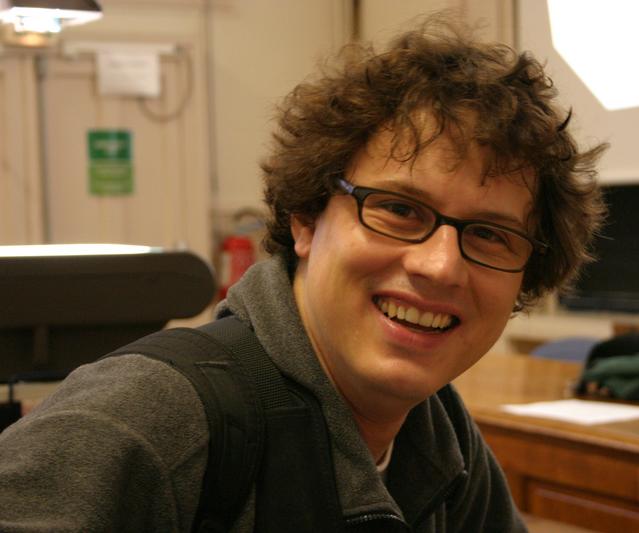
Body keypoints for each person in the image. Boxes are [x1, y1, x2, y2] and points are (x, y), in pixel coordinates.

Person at [0, 16, 606, 532]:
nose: (440, 265)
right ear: (307, 219)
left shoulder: (440, 437)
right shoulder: (144, 418)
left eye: (490, 234)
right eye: (399, 210)